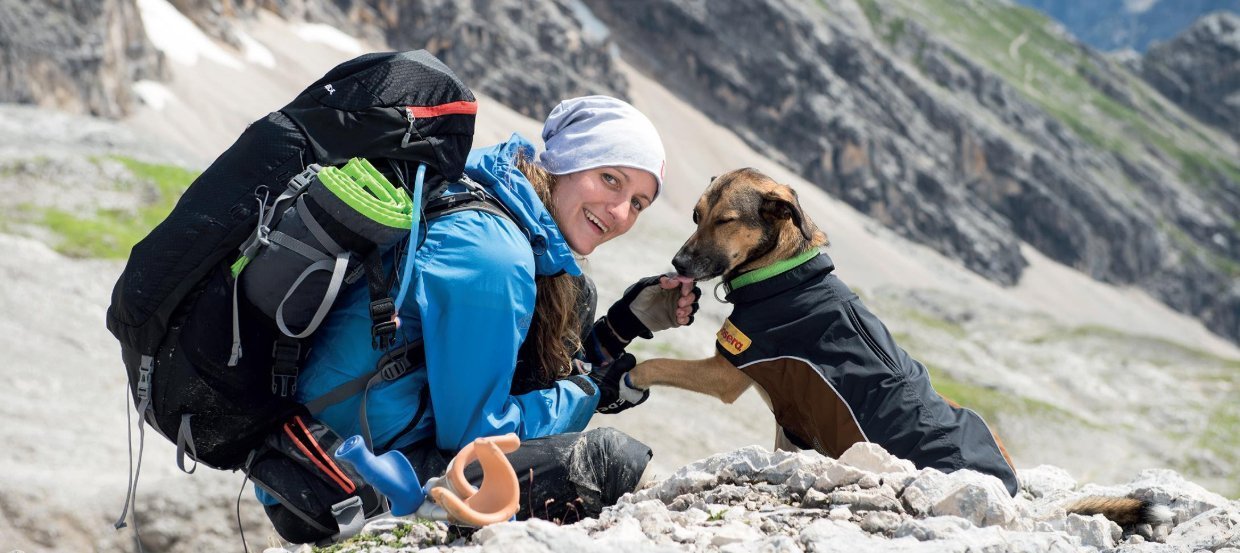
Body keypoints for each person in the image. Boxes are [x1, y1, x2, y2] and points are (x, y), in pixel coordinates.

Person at [257, 95, 699, 536]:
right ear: (566, 160)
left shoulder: (489, 192)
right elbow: (476, 438)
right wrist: (585, 395)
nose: (620, 212)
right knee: (608, 461)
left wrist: (619, 329)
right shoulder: (494, 255)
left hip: (349, 448)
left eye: (638, 203)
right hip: (346, 477)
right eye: (610, 179)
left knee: (576, 293)